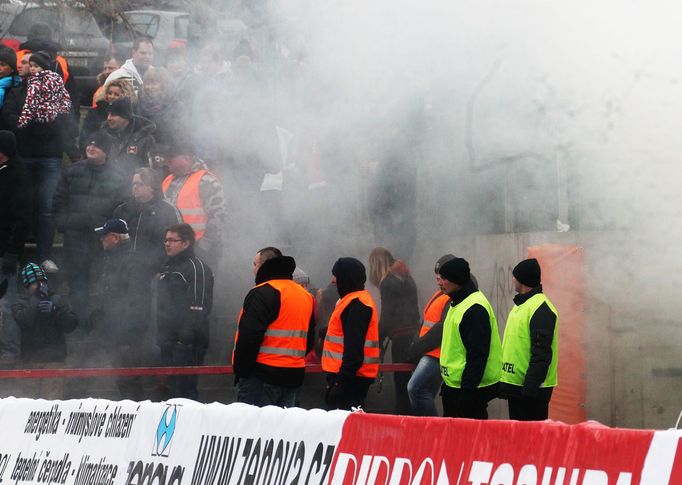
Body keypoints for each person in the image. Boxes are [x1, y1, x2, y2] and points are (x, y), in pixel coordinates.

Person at [2, 51, 76, 273]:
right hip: (24, 156)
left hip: (49, 157)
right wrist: (38, 121)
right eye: (29, 65)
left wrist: (35, 121)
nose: (33, 69)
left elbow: (64, 123)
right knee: (21, 207)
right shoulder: (17, 93)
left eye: (37, 65)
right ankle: (15, 252)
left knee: (46, 208)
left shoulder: (58, 93)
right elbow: (11, 118)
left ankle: (45, 255)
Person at [53, 132, 128, 326]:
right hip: (75, 237)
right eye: (89, 144)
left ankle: (100, 328)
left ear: (106, 151)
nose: (91, 148)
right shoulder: (72, 171)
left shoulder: (119, 177)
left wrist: (110, 233)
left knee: (102, 283)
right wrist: (63, 224)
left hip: (101, 240)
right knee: (77, 283)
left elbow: (122, 208)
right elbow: (59, 199)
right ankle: (78, 325)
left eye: (97, 146)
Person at [233, 247, 315, 407]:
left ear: (264, 266)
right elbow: (309, 338)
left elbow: (249, 338)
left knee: (255, 430)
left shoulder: (263, 292)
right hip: (293, 377)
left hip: (261, 378)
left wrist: (242, 373)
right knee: (282, 430)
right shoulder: (305, 296)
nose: (253, 269)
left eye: (255, 264)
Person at [438, 257, 502, 419]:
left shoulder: (474, 308)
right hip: (456, 387)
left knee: (469, 442)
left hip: (469, 392)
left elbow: (477, 355)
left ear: (456, 280)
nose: (440, 282)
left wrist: (467, 394)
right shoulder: (459, 302)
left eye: (445, 278)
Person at [157, 223, 213, 400]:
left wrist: (185, 339)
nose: (167, 243)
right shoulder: (168, 268)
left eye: (173, 240)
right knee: (171, 392)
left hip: (187, 344)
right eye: (166, 240)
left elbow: (199, 306)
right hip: (168, 340)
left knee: (184, 393)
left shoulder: (197, 268)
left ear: (186, 243)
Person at [500, 258, 559, 421]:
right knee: (518, 441)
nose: (512, 280)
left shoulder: (541, 309)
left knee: (531, 442)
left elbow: (542, 353)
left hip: (531, 392)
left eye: (514, 276)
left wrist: (530, 388)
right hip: (518, 389)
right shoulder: (521, 305)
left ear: (522, 280)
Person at [93, 218, 145, 400]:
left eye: (104, 236)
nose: (101, 240)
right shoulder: (114, 259)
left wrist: (124, 331)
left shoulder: (131, 262)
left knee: (129, 380)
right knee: (122, 380)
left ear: (114, 238)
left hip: (126, 333)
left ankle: (137, 416)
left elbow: (135, 300)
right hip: (115, 330)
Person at [322, 257, 380, 411]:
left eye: (336, 275)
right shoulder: (355, 301)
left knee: (346, 429)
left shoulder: (356, 305)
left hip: (349, 380)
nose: (333, 281)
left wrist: (339, 384)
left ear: (345, 278)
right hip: (352, 378)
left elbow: (354, 351)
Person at [12, 263, 77, 399]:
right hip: (30, 360)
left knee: (51, 404)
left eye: (42, 282)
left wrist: (56, 311)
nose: (40, 286)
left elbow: (72, 325)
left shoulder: (58, 299)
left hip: (54, 360)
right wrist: (36, 299)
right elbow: (25, 320)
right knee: (29, 404)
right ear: (27, 286)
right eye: (35, 283)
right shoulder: (20, 303)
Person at [368, 247, 420, 414]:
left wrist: (378, 338)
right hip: (414, 334)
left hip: (400, 337)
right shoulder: (406, 276)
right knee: (411, 382)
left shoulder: (388, 282)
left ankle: (403, 419)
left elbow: (387, 314)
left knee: (401, 382)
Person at [161, 143, 226, 269]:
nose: (167, 160)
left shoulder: (206, 180)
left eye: (172, 157)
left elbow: (218, 216)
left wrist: (204, 246)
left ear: (186, 158)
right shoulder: (167, 180)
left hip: (199, 250)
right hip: (171, 249)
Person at [406, 254, 455, 416]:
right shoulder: (442, 294)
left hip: (436, 354)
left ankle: (431, 429)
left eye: (441, 278)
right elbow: (427, 323)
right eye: (437, 278)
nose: (439, 282)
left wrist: (417, 348)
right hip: (430, 352)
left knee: (415, 388)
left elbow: (440, 329)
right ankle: (429, 431)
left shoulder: (451, 296)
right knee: (423, 392)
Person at [0, 130, 31, 361]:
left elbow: (23, 218)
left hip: (4, 253)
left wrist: (12, 251)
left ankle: (10, 352)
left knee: (5, 305)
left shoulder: (19, 175)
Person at [80, 78, 136, 154]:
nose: (112, 96)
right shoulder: (95, 112)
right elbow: (85, 136)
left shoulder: (132, 113)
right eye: (109, 93)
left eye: (116, 94)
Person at [105, 97, 156, 178]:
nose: (108, 118)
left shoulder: (145, 139)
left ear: (125, 116)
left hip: (133, 188)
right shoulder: (105, 136)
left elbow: (153, 172)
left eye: (113, 114)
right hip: (106, 187)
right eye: (108, 114)